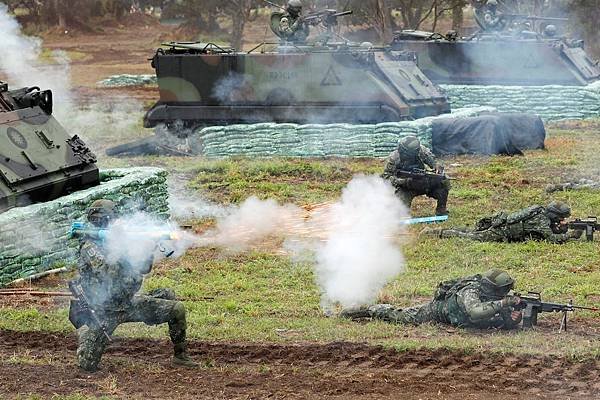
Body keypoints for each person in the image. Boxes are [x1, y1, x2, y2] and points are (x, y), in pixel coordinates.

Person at [68, 199, 198, 372]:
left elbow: (143, 269)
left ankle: (180, 357)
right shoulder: (89, 247)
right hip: (105, 311)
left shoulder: (119, 240)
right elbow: (107, 274)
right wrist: (123, 249)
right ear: (103, 220)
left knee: (176, 308)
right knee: (88, 364)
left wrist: (145, 248)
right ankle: (85, 331)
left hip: (127, 303)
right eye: (112, 219)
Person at [340, 269, 523, 330]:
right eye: (504, 290)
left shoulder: (492, 296)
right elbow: (475, 313)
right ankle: (369, 310)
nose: (506, 293)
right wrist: (504, 304)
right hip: (438, 312)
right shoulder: (470, 292)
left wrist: (512, 320)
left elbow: (497, 317)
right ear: (491, 287)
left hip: (461, 320)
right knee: (401, 316)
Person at [421, 201, 583, 243]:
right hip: (502, 231)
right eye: (561, 217)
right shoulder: (541, 220)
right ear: (554, 214)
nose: (561, 220)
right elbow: (551, 238)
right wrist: (570, 235)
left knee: (471, 231)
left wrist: (562, 229)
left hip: (504, 225)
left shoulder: (542, 214)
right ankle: (437, 232)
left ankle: (438, 231)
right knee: (472, 236)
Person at [381, 135, 450, 216]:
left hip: (423, 182)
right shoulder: (394, 158)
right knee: (400, 213)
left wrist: (438, 167)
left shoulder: (421, 150)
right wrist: (404, 182)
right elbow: (386, 177)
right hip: (406, 187)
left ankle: (441, 210)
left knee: (443, 182)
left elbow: (434, 161)